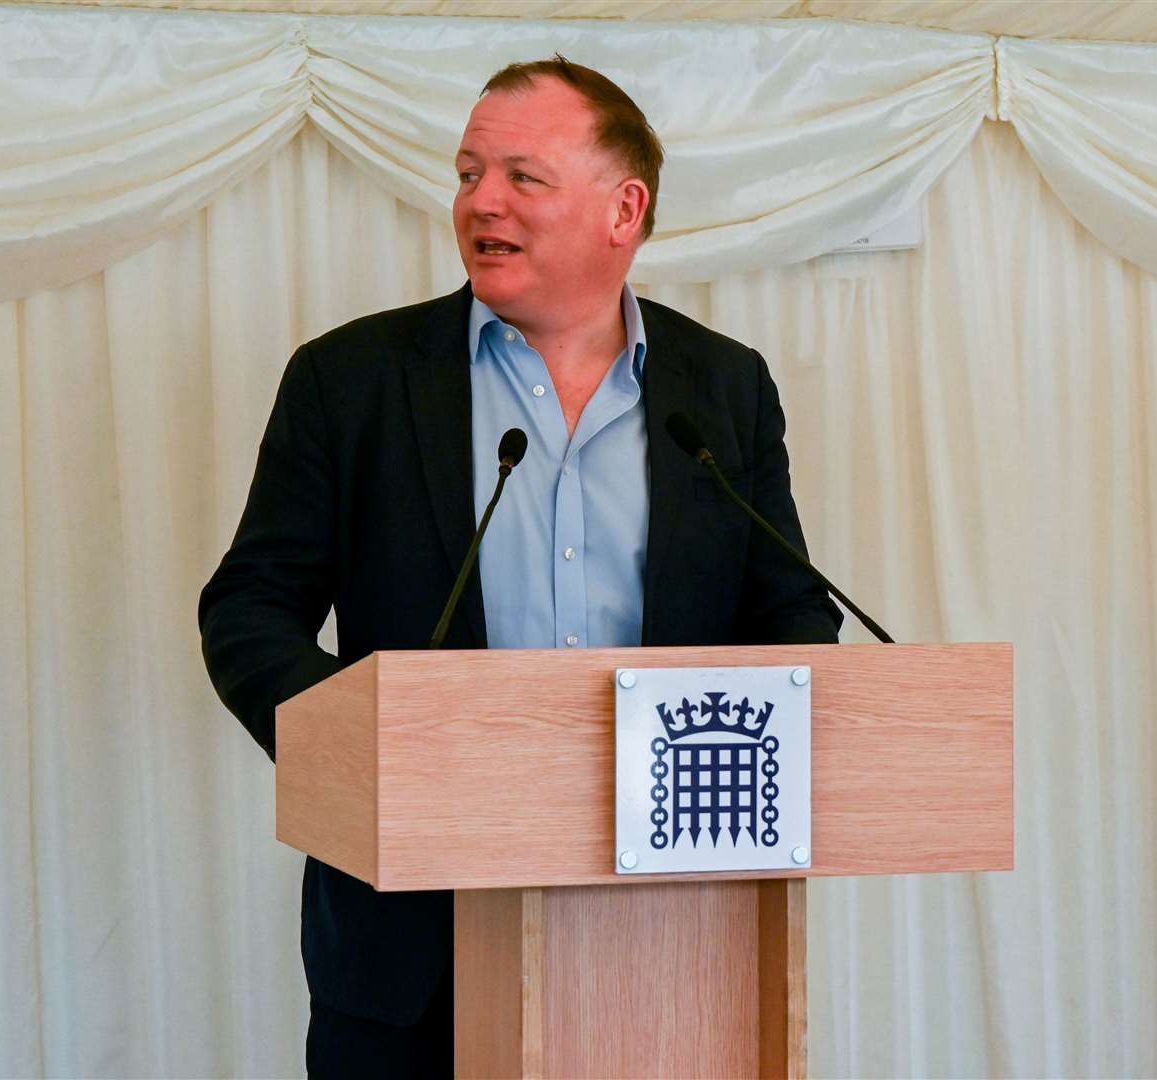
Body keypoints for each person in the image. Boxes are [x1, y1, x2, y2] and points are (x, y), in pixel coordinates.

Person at [198, 56, 841, 1077]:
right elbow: (250, 612)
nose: (478, 202)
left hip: (674, 937)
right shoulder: (351, 380)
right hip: (410, 939)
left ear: (622, 209)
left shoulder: (723, 388)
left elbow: (792, 609)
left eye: (521, 177)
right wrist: (359, 751)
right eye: (466, 175)